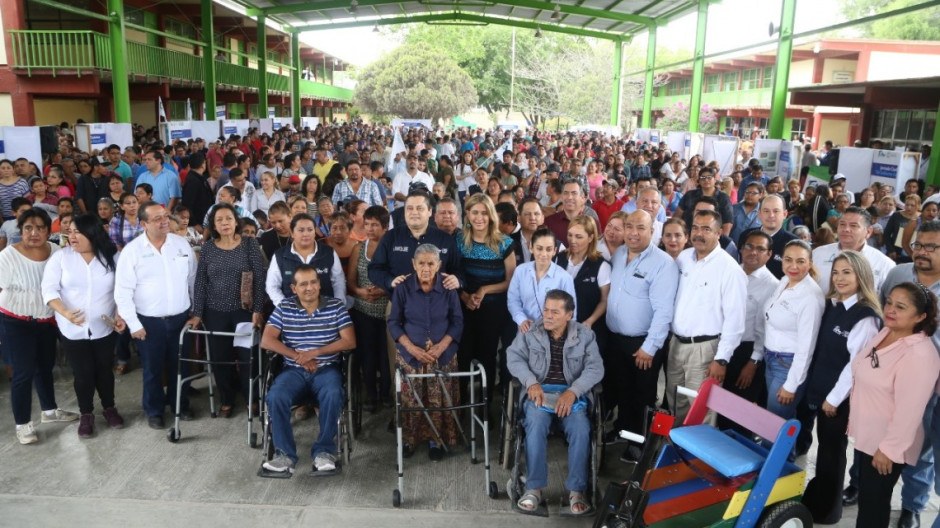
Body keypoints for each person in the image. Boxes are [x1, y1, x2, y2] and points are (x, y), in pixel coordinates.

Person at [800, 251, 882, 524]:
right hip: (819, 389)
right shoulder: (834, 304)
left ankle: (827, 511)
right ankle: (818, 498)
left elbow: (855, 366)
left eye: (847, 272)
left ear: (862, 275)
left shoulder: (866, 317)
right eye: (836, 272)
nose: (840, 278)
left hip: (839, 400)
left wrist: (834, 399)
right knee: (824, 451)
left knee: (832, 454)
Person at [849, 282, 940, 528]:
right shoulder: (887, 332)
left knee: (873, 507)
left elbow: (909, 412)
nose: (890, 309)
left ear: (920, 316)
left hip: (886, 445)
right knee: (869, 501)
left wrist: (888, 450)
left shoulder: (919, 354)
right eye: (889, 302)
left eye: (900, 307)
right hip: (870, 437)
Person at [507, 289, 604, 517]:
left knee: (581, 429)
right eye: (546, 310)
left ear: (569, 314)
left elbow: (595, 367)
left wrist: (574, 391)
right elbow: (514, 357)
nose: (548, 316)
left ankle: (577, 491)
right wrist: (531, 383)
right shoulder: (530, 331)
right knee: (535, 424)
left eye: (555, 312)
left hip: (571, 395)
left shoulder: (585, 335)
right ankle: (534, 488)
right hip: (539, 392)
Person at [260, 265, 355, 475]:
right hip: (293, 370)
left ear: (320, 284)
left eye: (313, 282)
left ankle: (324, 452)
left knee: (333, 393)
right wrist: (298, 357)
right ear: (294, 288)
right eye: (303, 284)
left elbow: (349, 341)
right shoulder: (284, 307)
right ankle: (284, 455)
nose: (309, 287)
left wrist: (316, 352)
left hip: (326, 369)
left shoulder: (336, 307)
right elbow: (267, 340)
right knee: (275, 396)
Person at [876, 221, 940, 528]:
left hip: (929, 388)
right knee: (876, 438)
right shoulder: (898, 274)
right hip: (886, 379)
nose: (922, 253)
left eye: (931, 247)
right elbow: (882, 312)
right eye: (918, 245)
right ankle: (862, 487)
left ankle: (912, 506)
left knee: (920, 450)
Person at [41, 214, 128, 438]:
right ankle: (86, 414)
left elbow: (121, 291)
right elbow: (49, 290)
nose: (72, 237)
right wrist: (65, 312)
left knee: (104, 370)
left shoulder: (113, 257)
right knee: (83, 373)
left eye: (77, 232)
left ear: (92, 233)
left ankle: (109, 408)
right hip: (72, 328)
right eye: (69, 232)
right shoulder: (61, 258)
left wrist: (120, 315)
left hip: (104, 326)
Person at [114, 201, 197, 429]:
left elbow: (192, 280)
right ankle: (154, 410)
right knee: (152, 369)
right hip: (148, 322)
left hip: (181, 318)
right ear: (143, 224)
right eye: (157, 219)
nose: (164, 222)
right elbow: (122, 293)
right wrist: (133, 324)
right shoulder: (132, 252)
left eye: (165, 216)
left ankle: (180, 404)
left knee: (179, 365)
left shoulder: (181, 245)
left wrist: (195, 311)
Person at [1, 208, 79, 444]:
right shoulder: (7, 256)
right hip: (16, 321)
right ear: (20, 230)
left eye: (40, 228)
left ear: (49, 230)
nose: (34, 233)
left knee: (45, 367)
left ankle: (49, 411)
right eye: (28, 228)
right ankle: (23, 424)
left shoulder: (56, 252)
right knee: (23, 373)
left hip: (47, 320)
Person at [605, 210, 678, 462]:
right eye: (629, 227)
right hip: (616, 338)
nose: (633, 233)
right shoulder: (619, 254)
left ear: (652, 231)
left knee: (643, 395)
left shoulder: (663, 263)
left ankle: (639, 444)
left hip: (643, 343)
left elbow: (663, 310)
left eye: (640, 228)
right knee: (622, 390)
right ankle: (622, 430)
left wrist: (650, 346)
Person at [667, 209, 747, 422]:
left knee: (701, 411)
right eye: (695, 228)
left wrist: (721, 359)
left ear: (719, 232)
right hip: (676, 344)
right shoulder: (683, 258)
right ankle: (676, 452)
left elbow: (735, 321)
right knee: (676, 402)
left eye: (706, 229)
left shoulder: (730, 270)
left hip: (705, 351)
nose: (699, 234)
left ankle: (696, 457)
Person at [188, 203, 265, 418]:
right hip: (215, 312)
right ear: (213, 224)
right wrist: (198, 313)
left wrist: (258, 310)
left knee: (248, 356)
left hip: (244, 311)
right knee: (220, 359)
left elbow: (259, 278)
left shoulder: (249, 244)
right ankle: (227, 398)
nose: (224, 223)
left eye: (228, 219)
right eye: (219, 220)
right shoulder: (208, 248)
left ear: (236, 221)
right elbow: (201, 282)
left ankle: (252, 398)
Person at [387, 244, 464, 459]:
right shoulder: (403, 288)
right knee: (411, 398)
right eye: (421, 263)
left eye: (431, 263)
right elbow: (394, 323)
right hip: (411, 353)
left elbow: (457, 322)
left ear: (439, 265)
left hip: (443, 354)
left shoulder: (448, 288)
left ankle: (436, 441)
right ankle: (409, 440)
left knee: (439, 397)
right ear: (413, 264)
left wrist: (441, 347)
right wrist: (411, 347)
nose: (426, 268)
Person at [756, 240, 825, 421]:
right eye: (788, 260)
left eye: (801, 261)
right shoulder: (785, 281)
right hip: (771, 359)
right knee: (778, 424)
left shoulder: (810, 297)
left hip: (787, 366)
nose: (793, 266)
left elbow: (806, 347)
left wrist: (791, 385)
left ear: (810, 263)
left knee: (773, 427)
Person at [718, 230, 778, 431]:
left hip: (746, 352)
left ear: (769, 254)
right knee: (717, 404)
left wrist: (753, 362)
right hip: (721, 345)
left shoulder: (772, 286)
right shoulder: (729, 272)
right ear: (741, 249)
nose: (753, 252)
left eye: (761, 249)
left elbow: (764, 329)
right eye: (749, 246)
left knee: (737, 411)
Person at [456, 193, 516, 392]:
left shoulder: (504, 243)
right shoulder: (459, 242)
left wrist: (484, 290)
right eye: (474, 212)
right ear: (468, 215)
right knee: (463, 355)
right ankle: (463, 404)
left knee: (487, 356)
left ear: (491, 215)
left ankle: (485, 405)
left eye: (484, 213)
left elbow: (510, 281)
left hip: (493, 310)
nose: (479, 217)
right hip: (464, 307)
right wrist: (465, 296)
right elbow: (452, 275)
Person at [348, 206, 391, 412]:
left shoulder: (391, 248)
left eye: (375, 225)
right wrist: (360, 291)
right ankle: (371, 395)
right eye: (367, 224)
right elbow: (351, 281)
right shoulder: (359, 248)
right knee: (368, 353)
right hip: (364, 309)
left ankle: (387, 394)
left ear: (385, 226)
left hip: (386, 311)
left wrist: (383, 291)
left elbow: (397, 279)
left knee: (386, 355)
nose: (370, 228)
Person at [266, 213, 345, 308]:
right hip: (292, 312)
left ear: (315, 232)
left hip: (326, 310)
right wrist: (285, 308)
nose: (306, 234)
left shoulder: (328, 253)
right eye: (301, 230)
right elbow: (272, 286)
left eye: (310, 230)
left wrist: (337, 306)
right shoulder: (280, 255)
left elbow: (338, 281)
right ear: (292, 232)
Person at [508, 228, 576, 334]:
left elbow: (571, 312)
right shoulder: (520, 271)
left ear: (555, 251)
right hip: (525, 333)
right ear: (531, 248)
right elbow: (513, 300)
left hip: (554, 336)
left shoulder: (564, 277)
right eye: (539, 248)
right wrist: (522, 320)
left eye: (548, 249)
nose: (544, 254)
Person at [813, 207, 896, 293]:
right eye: (842, 224)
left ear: (868, 232)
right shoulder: (818, 254)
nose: (846, 229)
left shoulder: (884, 264)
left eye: (853, 226)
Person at [747, 194, 798, 279]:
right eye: (766, 211)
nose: (771, 215)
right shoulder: (746, 236)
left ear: (785, 214)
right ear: (759, 214)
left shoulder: (794, 244)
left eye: (776, 211)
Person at [674, 166, 734, 236]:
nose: (706, 180)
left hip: (711, 237)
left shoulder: (723, 198)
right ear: (699, 181)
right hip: (688, 235)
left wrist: (723, 241)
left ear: (715, 180)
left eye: (709, 177)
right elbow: (677, 216)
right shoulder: (690, 195)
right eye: (703, 178)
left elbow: (727, 223)